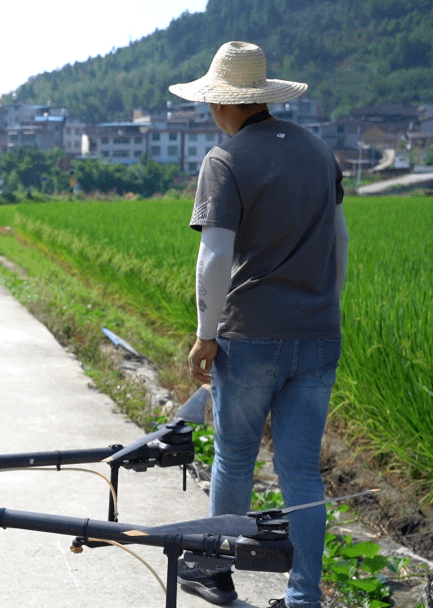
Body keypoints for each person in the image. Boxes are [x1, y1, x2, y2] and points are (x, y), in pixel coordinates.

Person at [172, 42, 348, 608]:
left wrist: (205, 332)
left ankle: (216, 572)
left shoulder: (225, 161)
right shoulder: (318, 150)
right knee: (301, 471)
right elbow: (340, 243)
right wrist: (322, 306)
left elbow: (215, 257)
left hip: (250, 336)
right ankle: (303, 598)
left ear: (225, 104)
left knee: (236, 456)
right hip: (319, 335)